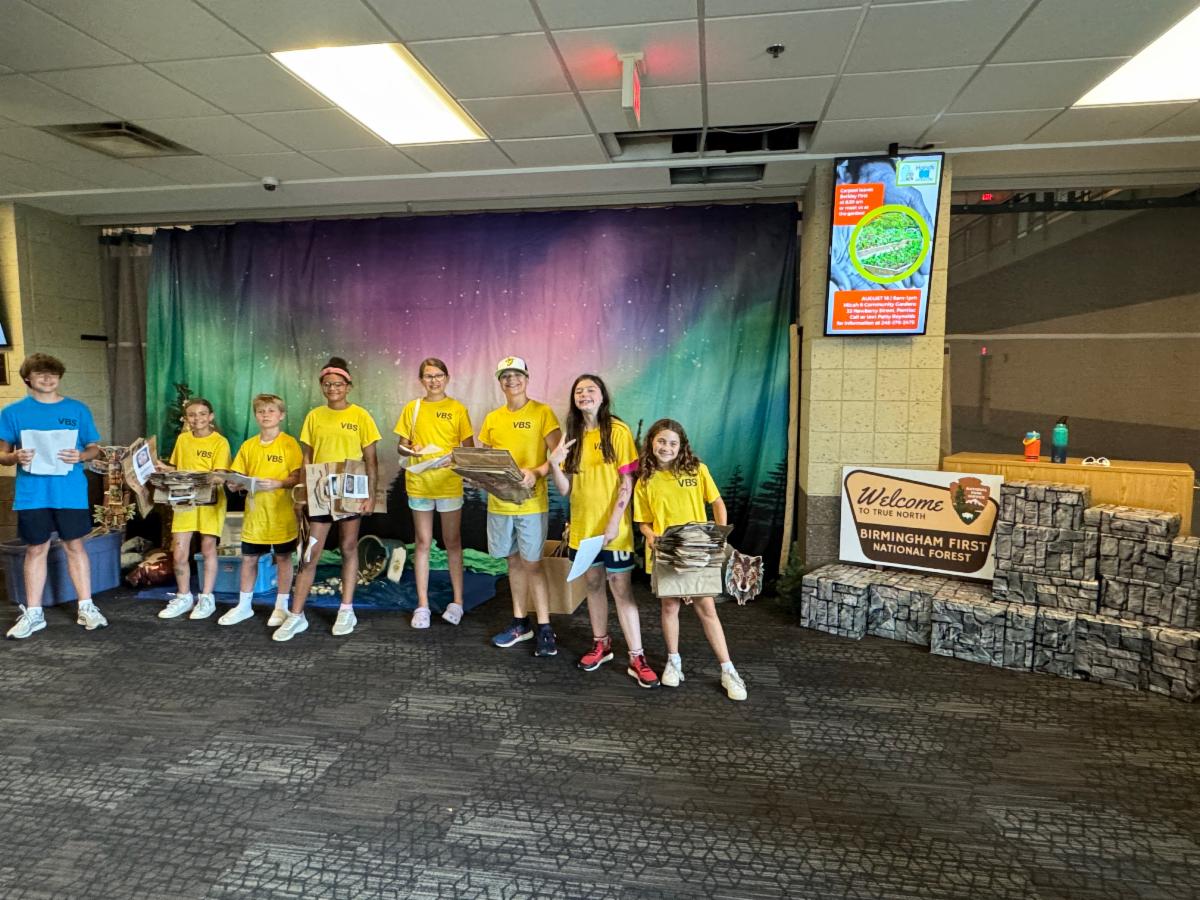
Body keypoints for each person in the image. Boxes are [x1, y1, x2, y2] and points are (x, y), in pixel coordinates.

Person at [548, 374, 657, 688]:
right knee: (593, 584)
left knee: (620, 588)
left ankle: (637, 656)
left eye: (590, 389)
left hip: (614, 530)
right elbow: (566, 489)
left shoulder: (617, 431)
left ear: (602, 396)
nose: (584, 394)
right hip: (583, 529)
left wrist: (613, 522)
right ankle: (602, 645)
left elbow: (628, 481)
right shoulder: (573, 435)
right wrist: (554, 464)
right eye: (579, 391)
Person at [633, 418, 747, 701]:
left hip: (698, 550)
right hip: (667, 552)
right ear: (651, 442)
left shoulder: (697, 470)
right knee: (669, 606)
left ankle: (728, 670)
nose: (666, 447)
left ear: (681, 445)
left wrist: (719, 535)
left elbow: (717, 502)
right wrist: (650, 535)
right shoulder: (645, 479)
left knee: (707, 608)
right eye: (661, 441)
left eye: (673, 443)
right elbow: (643, 521)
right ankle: (674, 661)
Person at [273, 356, 380, 642]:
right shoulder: (314, 416)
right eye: (328, 384)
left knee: (348, 547)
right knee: (310, 553)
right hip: (320, 489)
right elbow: (307, 457)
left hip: (350, 488)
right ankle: (296, 614)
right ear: (322, 386)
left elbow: (370, 459)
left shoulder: (361, 416)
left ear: (348, 386)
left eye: (338, 384)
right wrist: (303, 492)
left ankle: (346, 609)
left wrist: (370, 495)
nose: (333, 388)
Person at [1, 353, 106, 639]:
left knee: (75, 546)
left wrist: (81, 455)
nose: (48, 379)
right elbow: (2, 453)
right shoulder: (13, 412)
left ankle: (87, 606)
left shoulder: (78, 409)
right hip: (32, 494)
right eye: (40, 374)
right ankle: (34, 613)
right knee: (36, 549)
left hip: (70, 492)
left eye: (53, 374)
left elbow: (94, 448)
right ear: (28, 378)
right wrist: (14, 457)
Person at [477, 356, 561, 657]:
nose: (511, 380)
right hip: (500, 505)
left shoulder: (543, 413)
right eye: (505, 376)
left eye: (517, 375)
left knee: (533, 564)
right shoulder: (492, 418)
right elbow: (486, 460)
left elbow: (558, 457)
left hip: (530, 504)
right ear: (500, 382)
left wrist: (536, 472)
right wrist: (478, 475)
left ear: (527, 378)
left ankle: (545, 627)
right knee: (512, 563)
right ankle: (519, 623)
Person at [394, 357, 474, 629]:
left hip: (449, 484)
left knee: (452, 541)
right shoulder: (412, 408)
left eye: (438, 375)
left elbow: (468, 450)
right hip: (419, 483)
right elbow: (401, 446)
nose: (434, 380)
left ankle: (458, 602)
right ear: (421, 380)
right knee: (422, 542)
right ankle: (422, 605)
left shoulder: (457, 409)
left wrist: (454, 458)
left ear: (447, 378)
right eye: (428, 376)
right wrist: (412, 450)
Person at [218, 393, 304, 627]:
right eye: (261, 411)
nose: (266, 415)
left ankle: (281, 606)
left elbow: (298, 476)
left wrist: (279, 483)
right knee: (249, 558)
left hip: (281, 512)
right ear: (255, 415)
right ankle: (244, 605)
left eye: (271, 411)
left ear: (281, 415)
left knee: (283, 558)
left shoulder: (289, 444)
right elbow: (238, 475)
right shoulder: (249, 445)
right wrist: (235, 483)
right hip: (255, 514)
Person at [157, 397, 231, 621]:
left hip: (210, 501)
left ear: (211, 416)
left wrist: (200, 478)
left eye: (202, 414)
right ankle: (184, 597)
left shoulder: (220, 442)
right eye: (192, 415)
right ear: (186, 418)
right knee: (179, 552)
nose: (197, 418)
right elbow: (176, 468)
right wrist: (161, 469)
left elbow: (220, 476)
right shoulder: (183, 439)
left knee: (208, 548)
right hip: (184, 500)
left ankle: (206, 597)